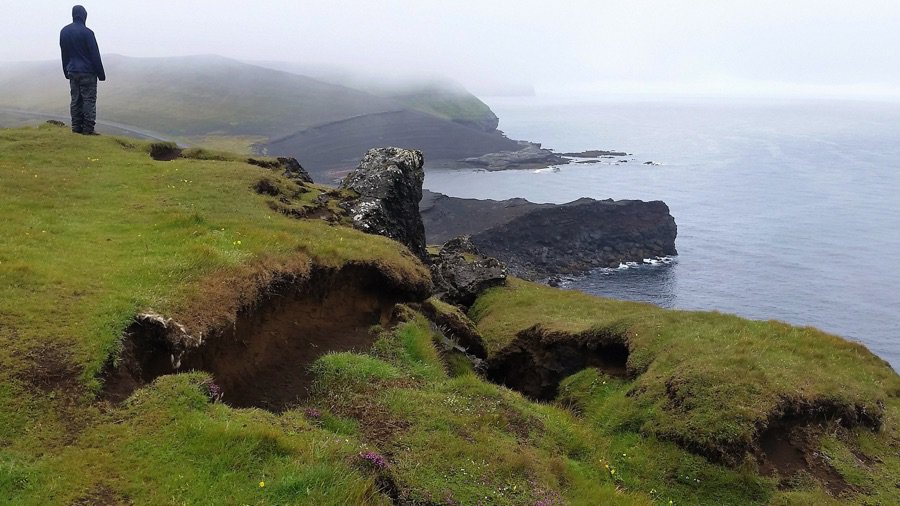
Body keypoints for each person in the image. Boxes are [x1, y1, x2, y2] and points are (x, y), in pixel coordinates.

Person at [60, 5, 106, 135]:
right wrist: (101, 74)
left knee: (75, 99)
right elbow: (94, 54)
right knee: (89, 100)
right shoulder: (88, 33)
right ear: (84, 16)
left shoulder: (64, 31)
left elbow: (64, 53)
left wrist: (65, 70)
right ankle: (88, 129)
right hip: (88, 72)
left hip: (72, 71)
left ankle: (76, 128)